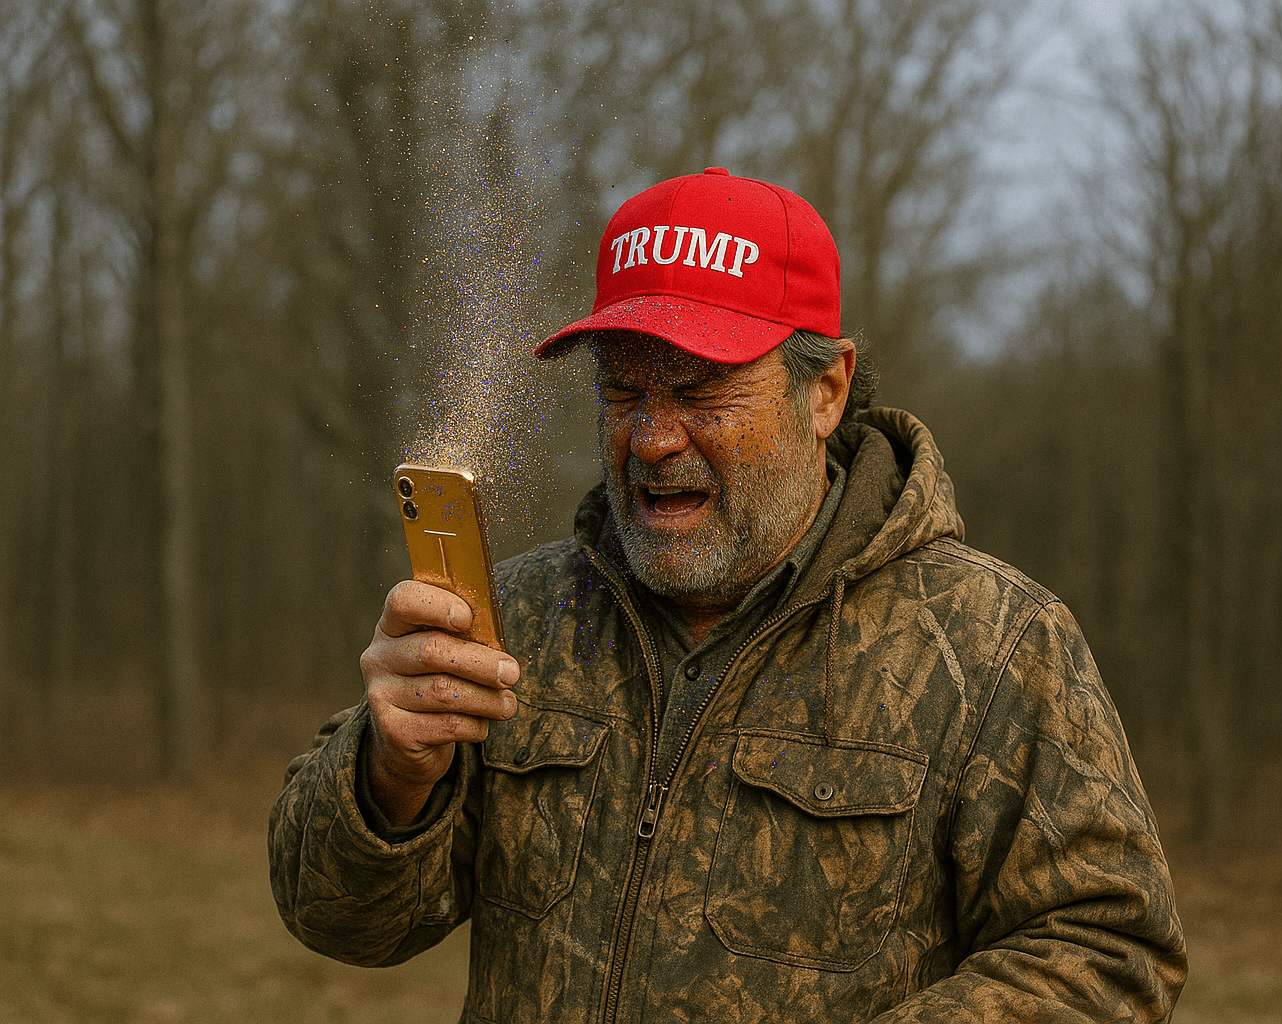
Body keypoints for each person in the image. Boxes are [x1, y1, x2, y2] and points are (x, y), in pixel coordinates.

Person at [269, 167, 1187, 1023]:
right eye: (623, 392)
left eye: (702, 391)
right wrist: (391, 773)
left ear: (824, 393)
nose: (653, 439)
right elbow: (337, 920)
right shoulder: (522, 618)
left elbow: (1109, 947)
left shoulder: (993, 644)